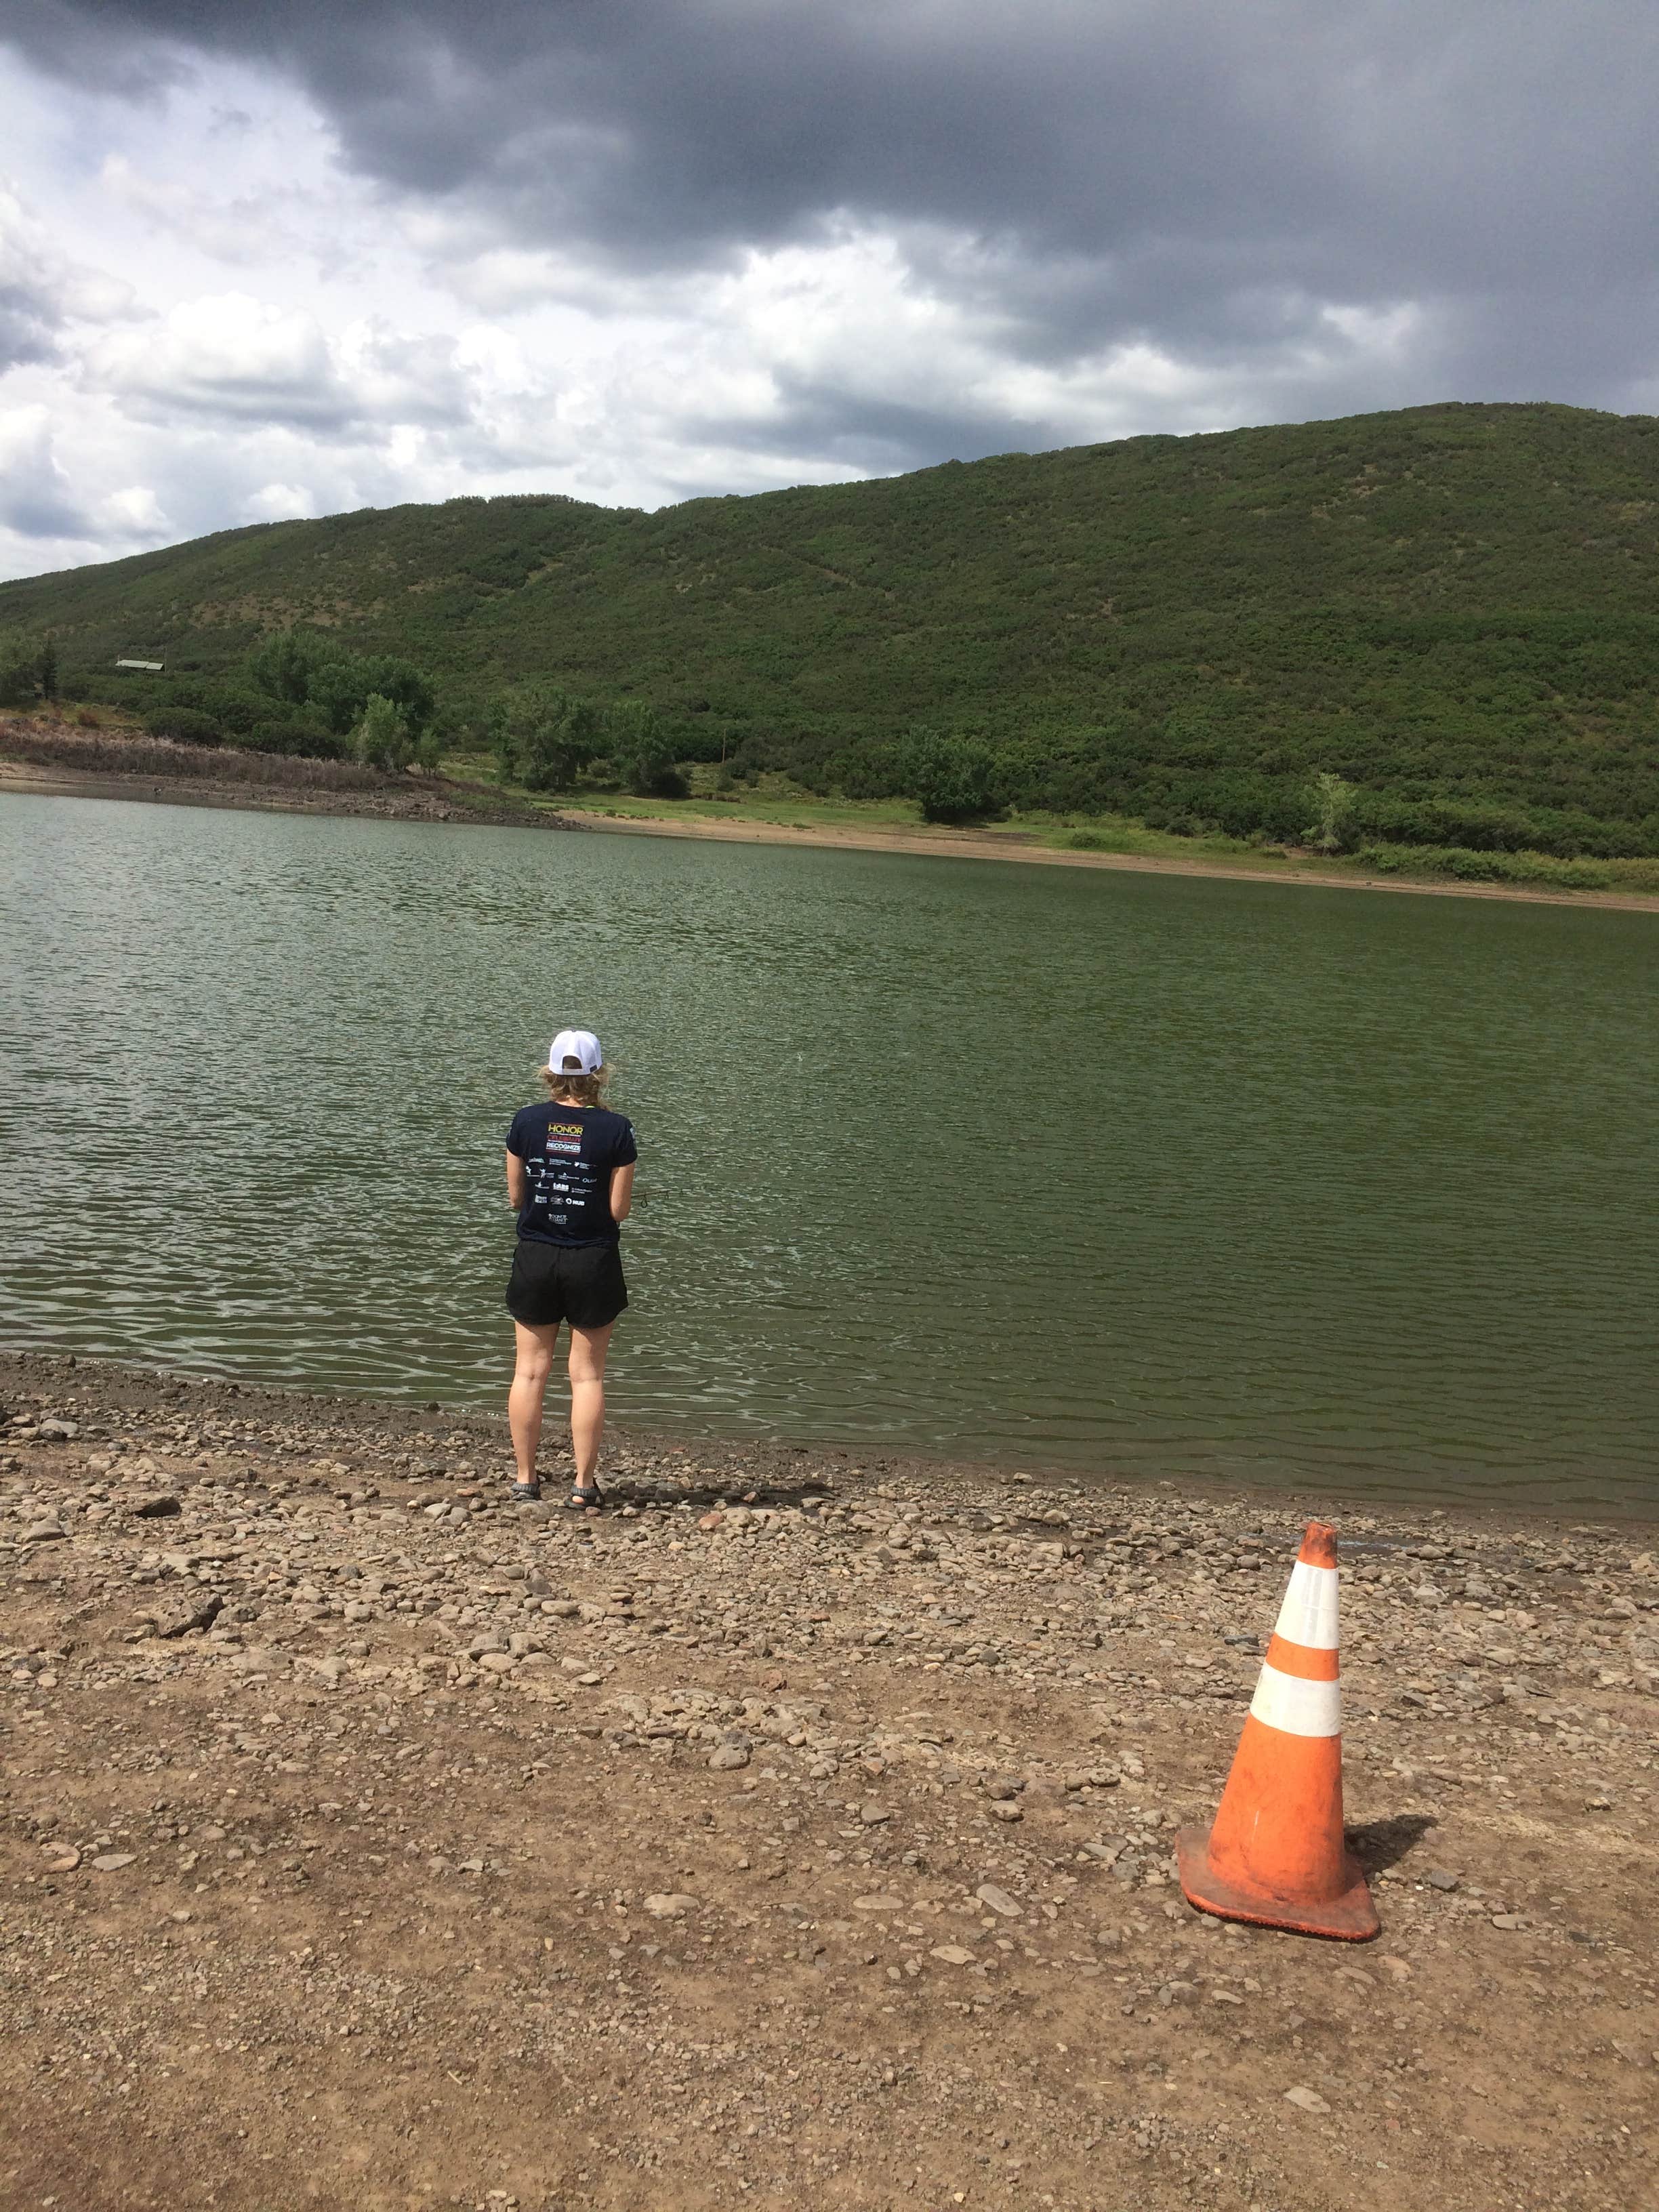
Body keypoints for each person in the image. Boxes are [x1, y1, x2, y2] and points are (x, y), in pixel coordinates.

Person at [503, 1027, 636, 1507]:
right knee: (587, 1377)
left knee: (529, 1373)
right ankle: (582, 1485)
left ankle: (526, 1480)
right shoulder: (617, 1130)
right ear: (600, 1074)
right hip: (592, 1259)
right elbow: (618, 1210)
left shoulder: (525, 1122)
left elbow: (516, 1198)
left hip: (536, 1255)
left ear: (550, 1073)